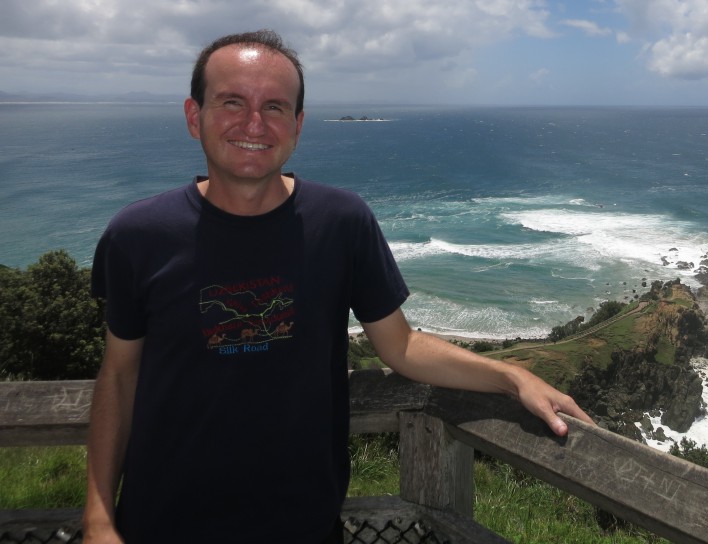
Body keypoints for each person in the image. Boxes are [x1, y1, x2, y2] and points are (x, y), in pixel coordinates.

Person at [83, 30, 591, 544]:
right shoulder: (139, 235)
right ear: (194, 116)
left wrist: (511, 377)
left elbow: (402, 346)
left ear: (297, 126)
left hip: (301, 523)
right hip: (161, 523)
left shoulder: (341, 221)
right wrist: (99, 519)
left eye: (275, 106)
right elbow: (120, 376)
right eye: (232, 101)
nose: (254, 123)